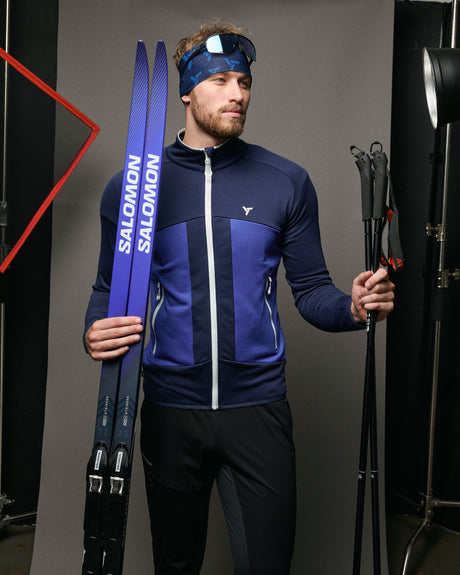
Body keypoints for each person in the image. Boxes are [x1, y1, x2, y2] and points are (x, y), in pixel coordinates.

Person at [84, 18, 395, 575]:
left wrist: (351, 307)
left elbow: (312, 292)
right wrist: (94, 330)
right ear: (186, 91)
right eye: (222, 80)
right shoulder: (135, 184)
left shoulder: (285, 181)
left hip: (259, 412)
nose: (238, 94)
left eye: (245, 82)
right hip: (170, 411)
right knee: (176, 565)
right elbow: (109, 286)